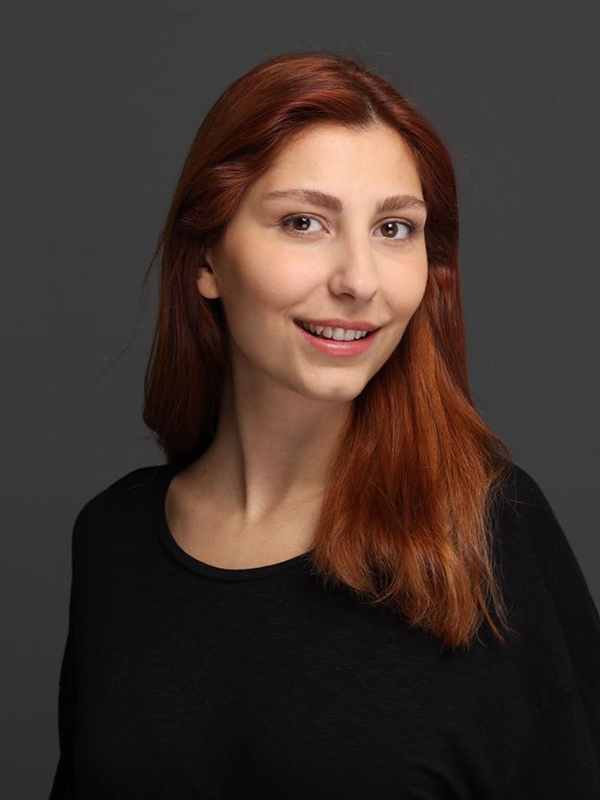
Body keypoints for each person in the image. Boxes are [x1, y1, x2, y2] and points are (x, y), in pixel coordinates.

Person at [48, 51, 600, 799]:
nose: (360, 280)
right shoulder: (111, 541)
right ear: (206, 258)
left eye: (395, 228)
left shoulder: (492, 532)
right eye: (304, 222)